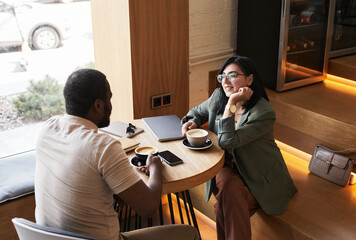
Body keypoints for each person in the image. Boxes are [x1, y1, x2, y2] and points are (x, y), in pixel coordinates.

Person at [35, 69, 200, 240]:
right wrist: (155, 168)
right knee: (190, 233)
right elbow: (149, 207)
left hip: (51, 236)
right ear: (98, 105)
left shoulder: (47, 128)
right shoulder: (102, 146)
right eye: (109, 99)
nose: (110, 105)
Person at [181, 56, 298, 240]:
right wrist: (192, 120)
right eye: (222, 77)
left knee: (226, 201)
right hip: (225, 166)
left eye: (232, 75)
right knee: (229, 187)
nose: (225, 82)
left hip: (257, 174)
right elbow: (197, 112)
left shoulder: (263, 112)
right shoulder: (219, 96)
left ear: (249, 80)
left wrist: (231, 104)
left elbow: (227, 141)